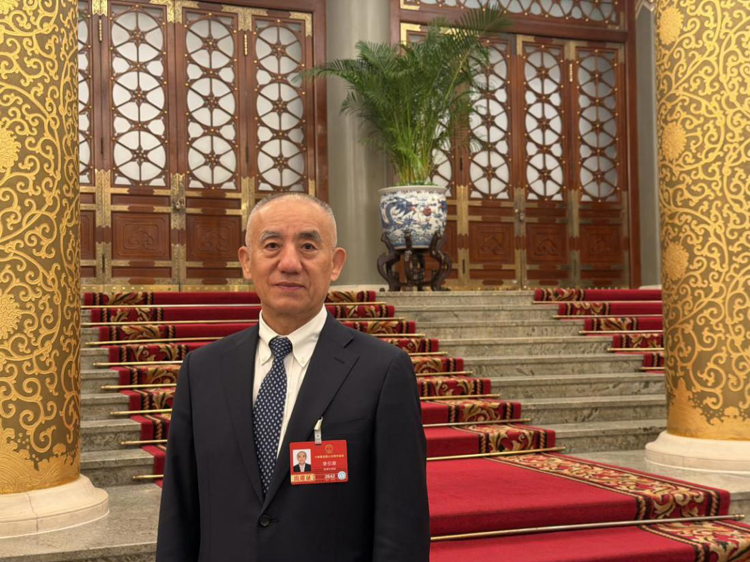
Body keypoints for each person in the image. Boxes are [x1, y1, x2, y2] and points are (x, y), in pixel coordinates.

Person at [156, 193, 430, 561]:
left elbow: (402, 525)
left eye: (308, 246)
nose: (289, 263)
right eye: (272, 245)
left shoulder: (382, 371)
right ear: (247, 261)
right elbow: (180, 510)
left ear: (335, 263)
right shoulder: (202, 370)